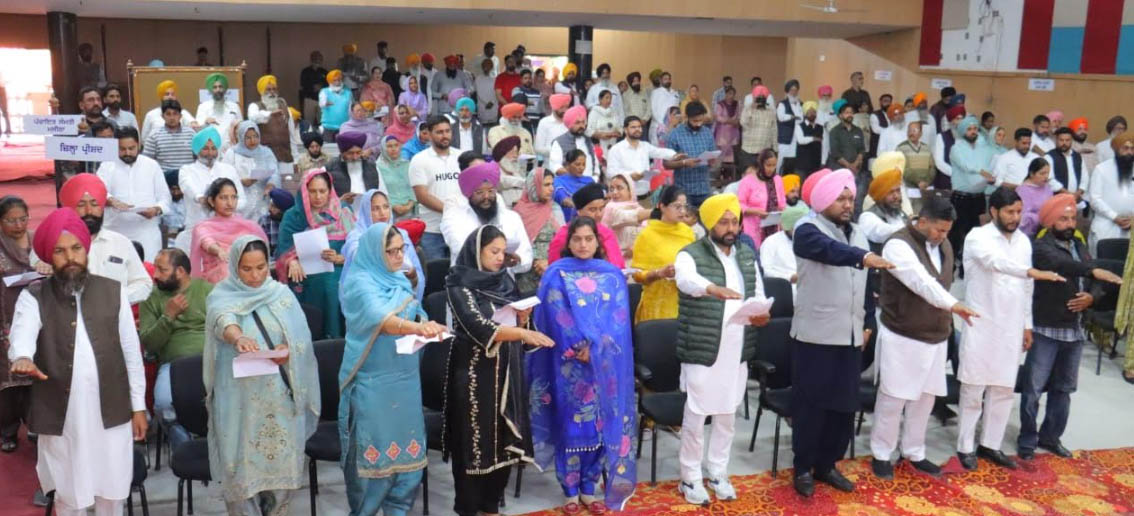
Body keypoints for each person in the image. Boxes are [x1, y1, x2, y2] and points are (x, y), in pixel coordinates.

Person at [7, 207, 146, 516]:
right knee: (69, 496)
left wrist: (139, 406)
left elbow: (131, 353)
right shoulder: (34, 295)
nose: (70, 257)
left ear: (86, 249)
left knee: (112, 493)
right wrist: (23, 357)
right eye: (59, 251)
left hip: (112, 410)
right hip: (62, 414)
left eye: (75, 248)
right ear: (49, 256)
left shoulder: (114, 291)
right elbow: (22, 334)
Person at [789, 169, 895, 497]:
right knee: (812, 406)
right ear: (823, 200)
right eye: (841, 199)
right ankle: (803, 467)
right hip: (816, 336)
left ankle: (827, 464)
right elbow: (831, 252)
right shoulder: (807, 230)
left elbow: (864, 283)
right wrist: (863, 257)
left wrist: (868, 323)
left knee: (843, 407)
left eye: (850, 198)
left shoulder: (858, 232)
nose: (848, 204)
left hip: (850, 336)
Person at [204, 235, 320, 514]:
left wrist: (286, 351)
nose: (255, 276)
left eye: (261, 267)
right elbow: (222, 319)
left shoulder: (282, 295)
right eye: (246, 269)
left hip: (279, 401)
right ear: (235, 266)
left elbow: (302, 342)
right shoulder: (221, 295)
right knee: (242, 478)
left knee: (280, 481)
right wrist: (238, 338)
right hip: (239, 405)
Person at [529, 217, 638, 513]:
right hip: (570, 365)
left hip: (604, 366)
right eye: (577, 239)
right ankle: (570, 491)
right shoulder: (556, 273)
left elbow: (618, 319)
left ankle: (589, 489)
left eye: (589, 239)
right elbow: (556, 315)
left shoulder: (611, 274)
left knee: (601, 425)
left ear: (598, 241)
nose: (583, 244)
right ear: (568, 242)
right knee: (572, 425)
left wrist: (597, 347)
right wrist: (580, 346)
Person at [443, 225, 554, 516]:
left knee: (503, 443)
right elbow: (477, 325)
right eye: (493, 251)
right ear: (476, 251)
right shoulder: (458, 284)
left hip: (507, 374)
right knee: (474, 446)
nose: (499, 258)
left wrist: (523, 319)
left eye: (503, 252)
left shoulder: (504, 280)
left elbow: (515, 325)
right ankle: (468, 509)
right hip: (474, 376)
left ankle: (492, 507)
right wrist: (521, 333)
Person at [338, 221, 444, 516]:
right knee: (375, 460)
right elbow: (380, 319)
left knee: (409, 462)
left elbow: (414, 311)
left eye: (402, 249)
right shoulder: (359, 283)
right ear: (375, 251)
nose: (399, 256)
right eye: (392, 251)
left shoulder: (397, 279)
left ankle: (399, 511)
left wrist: (425, 324)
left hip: (405, 379)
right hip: (374, 381)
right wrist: (418, 328)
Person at [956, 187, 1064, 471]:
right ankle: (965, 447)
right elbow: (995, 263)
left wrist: (1027, 325)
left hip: (1011, 324)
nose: (1016, 217)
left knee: (1003, 388)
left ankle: (990, 444)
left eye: (1018, 212)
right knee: (974, 387)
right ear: (994, 211)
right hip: (981, 322)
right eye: (1009, 212)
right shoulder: (977, 237)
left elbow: (1026, 288)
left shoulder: (1023, 242)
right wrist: (1030, 271)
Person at [672, 193, 770, 505]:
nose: (731, 228)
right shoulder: (690, 254)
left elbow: (757, 292)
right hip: (703, 348)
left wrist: (761, 313)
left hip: (737, 348)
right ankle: (689, 477)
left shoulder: (746, 254)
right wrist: (711, 288)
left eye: (734, 222)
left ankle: (717, 471)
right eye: (723, 222)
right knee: (697, 415)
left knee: (727, 415)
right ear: (709, 223)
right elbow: (685, 280)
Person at [870, 195, 975, 480]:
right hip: (902, 333)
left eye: (947, 231)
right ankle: (881, 453)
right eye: (939, 229)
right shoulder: (897, 245)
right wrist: (953, 304)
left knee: (925, 399)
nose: (943, 236)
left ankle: (914, 451)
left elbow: (942, 282)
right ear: (923, 220)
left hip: (936, 335)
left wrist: (950, 312)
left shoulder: (945, 244)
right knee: (894, 398)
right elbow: (921, 282)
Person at [1018, 195, 1121, 460]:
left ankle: (1051, 438)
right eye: (1063, 219)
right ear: (1050, 221)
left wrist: (1092, 298)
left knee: (1063, 389)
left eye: (1073, 218)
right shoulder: (1040, 247)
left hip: (1074, 330)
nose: (1070, 224)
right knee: (1033, 389)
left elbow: (1094, 276)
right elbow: (1063, 265)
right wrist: (1092, 271)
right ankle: (1027, 441)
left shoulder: (1079, 245)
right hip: (1046, 327)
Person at [139, 248, 212, 444]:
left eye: (162, 270)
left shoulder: (206, 290)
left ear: (180, 271)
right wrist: (168, 316)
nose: (155, 275)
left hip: (211, 360)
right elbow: (149, 344)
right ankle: (185, 449)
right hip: (173, 365)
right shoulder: (151, 298)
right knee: (163, 406)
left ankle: (217, 446)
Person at [277, 170, 353, 339]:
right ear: (304, 191)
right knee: (321, 284)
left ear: (330, 190)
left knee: (332, 286)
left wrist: (340, 258)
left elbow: (358, 247)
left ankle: (336, 338)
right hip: (306, 272)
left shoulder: (344, 212)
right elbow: (283, 249)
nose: (318, 197)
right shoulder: (294, 216)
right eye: (312, 191)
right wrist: (291, 261)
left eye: (322, 191)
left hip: (341, 268)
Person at [59, 175, 154, 304]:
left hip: (114, 314)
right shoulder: (55, 243)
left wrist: (115, 299)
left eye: (95, 204)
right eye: (81, 205)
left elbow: (144, 284)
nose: (89, 211)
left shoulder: (121, 243)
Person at [440, 161, 533, 272]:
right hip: (468, 279)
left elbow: (526, 257)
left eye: (491, 191)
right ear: (469, 195)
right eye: (479, 192)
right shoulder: (455, 218)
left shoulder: (512, 218)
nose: (486, 196)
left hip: (503, 280)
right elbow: (461, 249)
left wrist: (517, 260)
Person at [98, 126, 172, 261]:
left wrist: (156, 210)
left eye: (131, 148)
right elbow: (98, 192)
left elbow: (165, 198)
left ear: (139, 145)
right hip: (115, 231)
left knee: (148, 270)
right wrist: (112, 201)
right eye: (122, 149)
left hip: (147, 233)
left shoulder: (152, 165)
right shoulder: (107, 166)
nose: (127, 153)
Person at [0, 196, 38, 453]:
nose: (18, 225)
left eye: (22, 219)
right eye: (11, 221)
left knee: (37, 378)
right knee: (9, 381)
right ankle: (8, 429)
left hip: (35, 316)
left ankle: (36, 425)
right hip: (7, 319)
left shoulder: (38, 241)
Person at [341, 190, 423, 300]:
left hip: (400, 293)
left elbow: (415, 269)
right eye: (375, 209)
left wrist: (412, 275)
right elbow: (356, 255)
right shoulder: (357, 236)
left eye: (386, 207)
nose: (382, 213)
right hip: (368, 296)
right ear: (366, 211)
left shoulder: (400, 234)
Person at [630, 186, 695, 322]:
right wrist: (659, 273)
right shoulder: (647, 235)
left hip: (684, 304)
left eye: (685, 206)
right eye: (677, 207)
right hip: (657, 305)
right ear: (662, 206)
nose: (683, 212)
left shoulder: (688, 232)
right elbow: (637, 274)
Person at [176, 127, 247, 250]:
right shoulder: (186, 170)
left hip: (227, 231)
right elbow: (188, 188)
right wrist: (200, 198)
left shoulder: (228, 170)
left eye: (214, 148)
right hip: (197, 230)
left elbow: (242, 201)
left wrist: (226, 205)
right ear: (197, 150)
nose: (210, 153)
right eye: (205, 148)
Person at [190, 177, 268, 283]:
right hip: (218, 277)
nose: (230, 203)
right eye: (223, 198)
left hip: (248, 272)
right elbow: (207, 242)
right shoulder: (203, 227)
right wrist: (219, 251)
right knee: (226, 268)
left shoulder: (248, 226)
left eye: (234, 197)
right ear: (211, 201)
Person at [409, 116, 462, 261]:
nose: (445, 135)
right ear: (429, 134)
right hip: (432, 230)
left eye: (447, 131)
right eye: (439, 132)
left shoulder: (461, 157)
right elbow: (422, 196)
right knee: (435, 272)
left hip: (459, 227)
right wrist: (451, 209)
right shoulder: (419, 160)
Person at [949, 115, 996, 265]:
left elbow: (992, 164)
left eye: (975, 128)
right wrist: (983, 172)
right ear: (963, 131)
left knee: (976, 234)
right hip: (961, 198)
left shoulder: (983, 149)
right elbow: (966, 165)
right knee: (958, 233)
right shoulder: (956, 148)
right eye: (969, 129)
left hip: (979, 197)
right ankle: (952, 265)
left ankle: (970, 266)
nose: (973, 131)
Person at [548, 183, 626, 269]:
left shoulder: (606, 234)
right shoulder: (564, 234)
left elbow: (617, 267)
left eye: (601, 208)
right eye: (592, 210)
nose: (599, 214)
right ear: (579, 211)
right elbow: (554, 267)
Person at [606, 116, 683, 199]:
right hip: (625, 198)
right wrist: (629, 176)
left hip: (645, 195)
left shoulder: (645, 146)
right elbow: (610, 172)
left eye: (639, 127)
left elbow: (660, 152)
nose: (637, 129)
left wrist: (675, 155)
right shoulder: (616, 149)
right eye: (633, 127)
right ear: (625, 130)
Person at [223, 121, 280, 221]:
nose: (253, 140)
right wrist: (240, 181)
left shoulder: (266, 152)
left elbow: (274, 172)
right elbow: (224, 176)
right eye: (248, 138)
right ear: (241, 137)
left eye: (255, 136)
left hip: (262, 199)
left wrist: (270, 185)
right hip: (239, 200)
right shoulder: (232, 153)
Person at [1087, 133, 1134, 254]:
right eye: (1125, 148)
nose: (1129, 152)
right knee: (1104, 261)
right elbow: (1095, 199)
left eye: (1132, 149)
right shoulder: (1101, 169)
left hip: (1131, 226)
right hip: (1106, 226)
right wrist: (1114, 216)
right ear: (1117, 149)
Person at [247, 75, 299, 176]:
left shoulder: (286, 109)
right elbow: (253, 118)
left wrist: (296, 160)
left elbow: (292, 136)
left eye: (274, 89)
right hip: (263, 159)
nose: (272, 92)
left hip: (285, 158)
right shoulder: (254, 106)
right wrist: (270, 114)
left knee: (287, 184)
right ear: (261, 91)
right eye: (268, 89)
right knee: (265, 184)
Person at [667, 102, 717, 207]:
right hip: (683, 190)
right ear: (687, 118)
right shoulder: (675, 134)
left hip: (704, 188)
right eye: (695, 121)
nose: (698, 124)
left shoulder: (707, 133)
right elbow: (666, 164)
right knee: (685, 217)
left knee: (705, 217)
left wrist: (712, 161)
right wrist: (684, 163)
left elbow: (713, 155)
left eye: (701, 120)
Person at [737, 149, 785, 247]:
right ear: (761, 164)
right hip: (753, 228)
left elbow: (782, 203)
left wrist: (781, 212)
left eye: (774, 165)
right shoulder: (748, 181)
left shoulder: (778, 180)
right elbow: (739, 204)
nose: (771, 169)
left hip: (774, 228)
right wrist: (756, 212)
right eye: (768, 165)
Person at [759, 202, 809, 294]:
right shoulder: (771, 242)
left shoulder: (808, 241)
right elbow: (765, 270)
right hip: (783, 290)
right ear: (788, 226)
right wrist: (789, 277)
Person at [826, 102, 867, 213]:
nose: (850, 115)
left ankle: (856, 221)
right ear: (840, 115)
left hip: (856, 172)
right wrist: (849, 166)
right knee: (841, 199)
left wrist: (856, 163)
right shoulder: (834, 131)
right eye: (847, 112)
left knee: (857, 199)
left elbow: (862, 150)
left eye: (851, 112)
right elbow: (835, 153)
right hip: (839, 171)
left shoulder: (858, 131)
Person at [602, 174, 651, 261]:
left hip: (640, 255)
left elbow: (648, 232)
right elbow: (625, 217)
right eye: (611, 189)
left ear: (630, 190)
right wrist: (656, 212)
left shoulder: (639, 208)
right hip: (617, 258)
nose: (614, 192)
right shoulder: (610, 208)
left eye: (619, 188)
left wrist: (636, 246)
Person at [143, 99, 198, 178]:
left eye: (175, 114)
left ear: (180, 116)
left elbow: (198, 158)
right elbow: (147, 161)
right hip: (164, 178)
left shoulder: (191, 134)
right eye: (168, 114)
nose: (172, 117)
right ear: (162, 116)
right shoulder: (154, 135)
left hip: (188, 177)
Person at [326, 131, 383, 201]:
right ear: (342, 152)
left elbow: (382, 193)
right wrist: (339, 201)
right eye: (350, 153)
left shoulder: (372, 167)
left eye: (358, 152)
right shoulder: (329, 168)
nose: (355, 157)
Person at [859, 168, 908, 247]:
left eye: (898, 191)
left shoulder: (901, 215)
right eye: (891, 192)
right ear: (880, 196)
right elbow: (881, 232)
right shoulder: (867, 216)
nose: (896, 196)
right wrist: (910, 228)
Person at [372, 136, 415, 222]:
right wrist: (393, 205)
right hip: (388, 212)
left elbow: (415, 187)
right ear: (383, 148)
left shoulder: (407, 165)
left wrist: (409, 205)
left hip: (411, 210)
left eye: (396, 145)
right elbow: (379, 191)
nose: (393, 149)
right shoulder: (377, 168)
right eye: (389, 146)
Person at [548, 105, 598, 180]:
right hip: (568, 183)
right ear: (570, 124)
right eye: (577, 123)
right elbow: (555, 166)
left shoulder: (588, 140)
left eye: (583, 122)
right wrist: (575, 178)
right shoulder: (559, 142)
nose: (581, 126)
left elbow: (595, 163)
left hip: (590, 182)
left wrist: (595, 177)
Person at [897, 122, 935, 213]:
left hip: (926, 190)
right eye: (909, 130)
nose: (911, 133)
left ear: (921, 133)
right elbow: (903, 168)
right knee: (914, 215)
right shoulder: (901, 148)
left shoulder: (926, 148)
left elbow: (932, 167)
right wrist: (918, 182)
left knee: (928, 215)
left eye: (914, 130)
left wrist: (927, 182)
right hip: (910, 190)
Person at [195, 73, 242, 143]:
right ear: (211, 90)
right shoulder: (203, 107)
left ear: (224, 89)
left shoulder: (234, 106)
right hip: (210, 147)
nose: (218, 90)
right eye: (215, 87)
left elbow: (241, 128)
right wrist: (205, 123)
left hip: (231, 147)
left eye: (220, 87)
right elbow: (197, 130)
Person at [739, 86, 777, 172]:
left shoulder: (770, 112)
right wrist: (751, 109)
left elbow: (774, 131)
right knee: (749, 176)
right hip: (749, 150)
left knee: (763, 176)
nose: (761, 100)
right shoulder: (747, 109)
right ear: (754, 98)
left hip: (764, 151)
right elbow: (743, 123)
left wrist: (775, 150)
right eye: (758, 98)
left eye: (763, 98)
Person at [553, 150, 596, 222]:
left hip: (588, 222)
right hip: (566, 222)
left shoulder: (590, 181)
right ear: (567, 165)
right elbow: (564, 199)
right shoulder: (558, 181)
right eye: (578, 164)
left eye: (584, 164)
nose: (581, 168)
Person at [1017, 158, 1055, 237]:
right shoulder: (1023, 190)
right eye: (1042, 173)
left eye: (1047, 173)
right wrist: (1042, 218)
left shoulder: (1047, 188)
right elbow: (1022, 216)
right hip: (1028, 233)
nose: (1046, 177)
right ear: (1032, 174)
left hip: (1047, 230)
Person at [1046, 127, 1087, 199]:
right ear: (1056, 140)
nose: (1064, 143)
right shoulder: (1049, 157)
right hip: (1057, 198)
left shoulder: (1077, 156)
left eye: (1067, 140)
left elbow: (1085, 177)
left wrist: (1079, 192)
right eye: (1061, 140)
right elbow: (1049, 180)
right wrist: (1068, 194)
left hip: (1076, 198)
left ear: (1072, 141)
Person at [776, 79, 803, 174]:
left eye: (796, 90)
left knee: (794, 161)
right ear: (787, 91)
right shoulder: (782, 104)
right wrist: (792, 117)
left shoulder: (801, 104)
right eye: (791, 90)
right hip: (786, 137)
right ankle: (777, 177)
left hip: (798, 137)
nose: (794, 93)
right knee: (781, 160)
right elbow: (780, 117)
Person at [491, 136, 527, 206]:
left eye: (517, 152)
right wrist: (524, 182)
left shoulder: (516, 171)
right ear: (502, 154)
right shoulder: (494, 171)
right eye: (512, 152)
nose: (515, 156)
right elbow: (502, 181)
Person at [587, 89, 623, 156]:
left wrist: (618, 133)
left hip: (613, 144)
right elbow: (589, 131)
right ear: (600, 99)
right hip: (600, 145)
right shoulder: (594, 112)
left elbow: (620, 128)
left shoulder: (614, 112)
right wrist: (601, 134)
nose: (609, 100)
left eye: (610, 98)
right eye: (607, 98)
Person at [320, 70, 352, 141]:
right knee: (328, 147)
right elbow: (322, 103)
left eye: (339, 80)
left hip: (344, 127)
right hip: (328, 128)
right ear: (330, 81)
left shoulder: (348, 93)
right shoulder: (324, 92)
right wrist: (326, 103)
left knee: (343, 146)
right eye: (334, 80)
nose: (337, 82)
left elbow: (350, 109)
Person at [260, 188, 294, 255]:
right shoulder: (264, 221)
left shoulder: (295, 223)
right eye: (270, 205)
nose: (269, 209)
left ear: (284, 210)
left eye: (274, 207)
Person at [713, 87, 741, 167]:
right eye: (729, 94)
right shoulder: (720, 104)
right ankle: (721, 172)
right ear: (725, 94)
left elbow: (739, 115)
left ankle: (731, 172)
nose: (731, 96)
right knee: (722, 158)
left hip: (733, 134)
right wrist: (729, 121)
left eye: (733, 94)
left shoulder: (736, 104)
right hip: (723, 134)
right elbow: (718, 117)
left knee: (732, 158)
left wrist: (737, 121)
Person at [300, 51, 329, 125]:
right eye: (315, 58)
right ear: (311, 59)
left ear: (321, 60)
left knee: (322, 122)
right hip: (309, 99)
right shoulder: (305, 71)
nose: (317, 60)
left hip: (321, 100)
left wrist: (321, 86)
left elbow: (328, 85)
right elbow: (303, 84)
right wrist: (313, 87)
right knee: (308, 122)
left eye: (319, 58)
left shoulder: (325, 72)